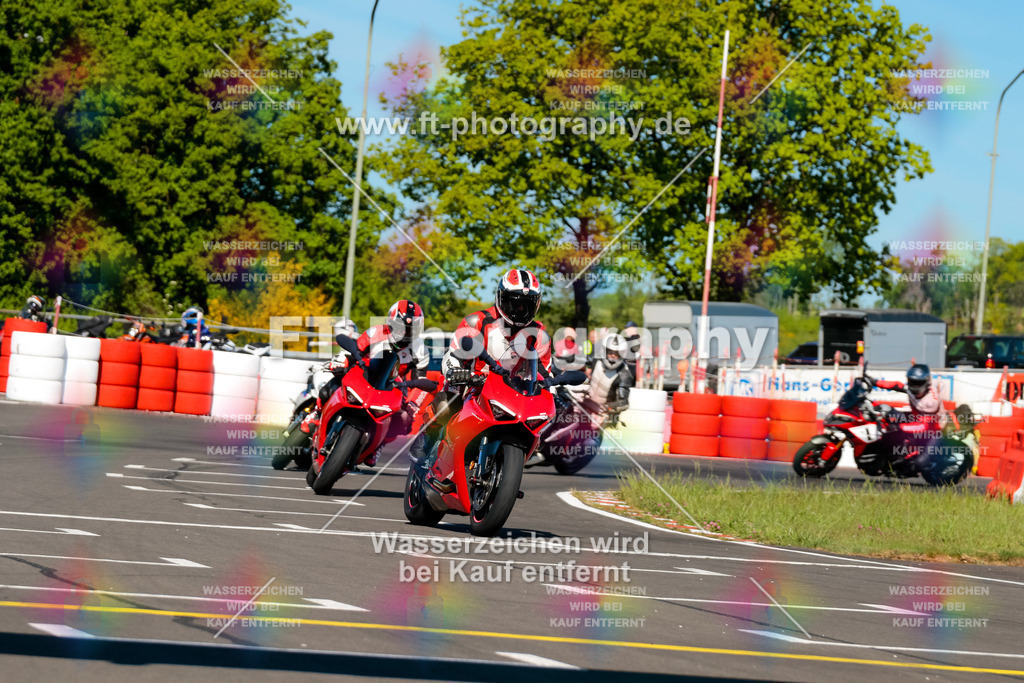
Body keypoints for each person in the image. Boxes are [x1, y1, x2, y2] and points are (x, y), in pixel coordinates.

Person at [412, 268, 551, 463]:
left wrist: (549, 385)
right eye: (515, 303)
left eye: (526, 305)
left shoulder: (540, 334)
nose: (520, 311)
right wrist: (456, 371)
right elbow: (454, 353)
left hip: (510, 391)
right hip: (472, 384)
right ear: (500, 298)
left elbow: (544, 372)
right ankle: (428, 436)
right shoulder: (476, 321)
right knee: (447, 403)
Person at [315, 301, 428, 467]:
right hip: (362, 373)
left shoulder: (420, 349)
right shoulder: (376, 332)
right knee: (331, 384)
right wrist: (342, 361)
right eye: (400, 326)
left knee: (404, 420)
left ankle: (377, 446)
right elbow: (355, 350)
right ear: (391, 321)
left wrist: (413, 402)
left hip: (392, 385)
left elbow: (422, 382)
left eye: (411, 328)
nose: (405, 332)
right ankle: (317, 416)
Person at [587, 333, 634, 413]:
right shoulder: (596, 361)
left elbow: (623, 402)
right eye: (610, 352)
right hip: (586, 407)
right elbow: (582, 367)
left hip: (605, 415)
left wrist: (607, 408)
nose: (613, 355)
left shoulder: (624, 374)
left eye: (616, 353)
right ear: (604, 351)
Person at [873, 364, 941, 416]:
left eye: (918, 383)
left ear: (926, 382)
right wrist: (875, 382)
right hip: (916, 418)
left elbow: (922, 425)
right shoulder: (911, 389)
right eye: (912, 382)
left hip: (933, 428)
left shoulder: (931, 403)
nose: (914, 386)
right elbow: (897, 385)